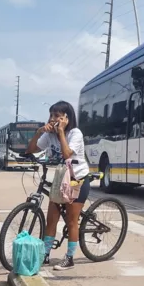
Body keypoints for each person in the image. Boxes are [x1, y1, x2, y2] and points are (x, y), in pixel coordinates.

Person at [25, 100, 90, 271]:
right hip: (61, 177)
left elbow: (67, 154)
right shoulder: (49, 134)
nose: (52, 119)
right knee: (51, 218)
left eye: (57, 116)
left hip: (77, 178)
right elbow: (30, 149)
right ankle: (45, 254)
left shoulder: (75, 133)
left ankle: (69, 258)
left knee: (71, 220)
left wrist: (61, 132)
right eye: (51, 115)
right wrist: (39, 132)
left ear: (66, 118)